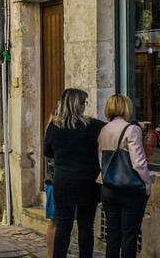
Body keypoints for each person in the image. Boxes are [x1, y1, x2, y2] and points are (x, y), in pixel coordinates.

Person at [44, 88, 104, 258]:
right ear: (79, 105)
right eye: (84, 103)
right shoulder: (93, 125)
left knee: (64, 225)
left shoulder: (54, 127)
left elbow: (48, 152)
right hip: (88, 182)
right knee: (86, 226)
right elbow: (116, 128)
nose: (85, 106)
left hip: (64, 182)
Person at [98, 94, 154, 258]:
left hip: (108, 188)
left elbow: (100, 160)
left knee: (112, 236)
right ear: (126, 108)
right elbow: (138, 163)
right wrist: (147, 182)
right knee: (129, 237)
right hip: (130, 189)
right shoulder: (132, 129)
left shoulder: (104, 129)